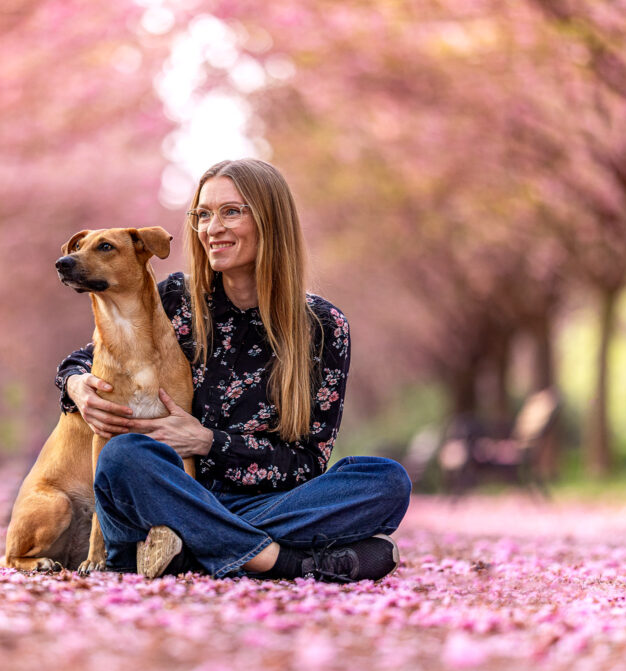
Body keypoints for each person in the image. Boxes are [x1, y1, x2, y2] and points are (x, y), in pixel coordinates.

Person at [56, 159, 411, 582]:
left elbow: (308, 463)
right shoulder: (174, 300)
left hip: (257, 505)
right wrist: (79, 386)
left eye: (231, 211)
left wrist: (209, 442)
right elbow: (86, 358)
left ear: (270, 221)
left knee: (386, 481)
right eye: (203, 215)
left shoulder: (323, 326)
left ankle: (192, 550)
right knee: (123, 457)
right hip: (159, 498)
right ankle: (279, 561)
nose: (212, 228)